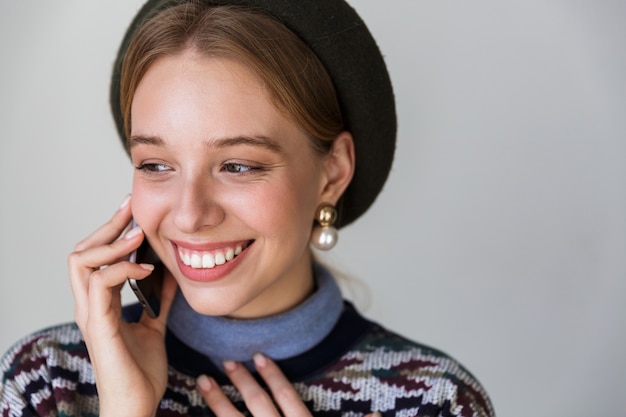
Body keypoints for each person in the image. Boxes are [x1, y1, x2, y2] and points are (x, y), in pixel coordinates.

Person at [0, 1, 494, 416]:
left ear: (334, 172)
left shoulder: (434, 401)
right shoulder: (47, 381)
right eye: (155, 164)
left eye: (238, 165)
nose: (189, 215)